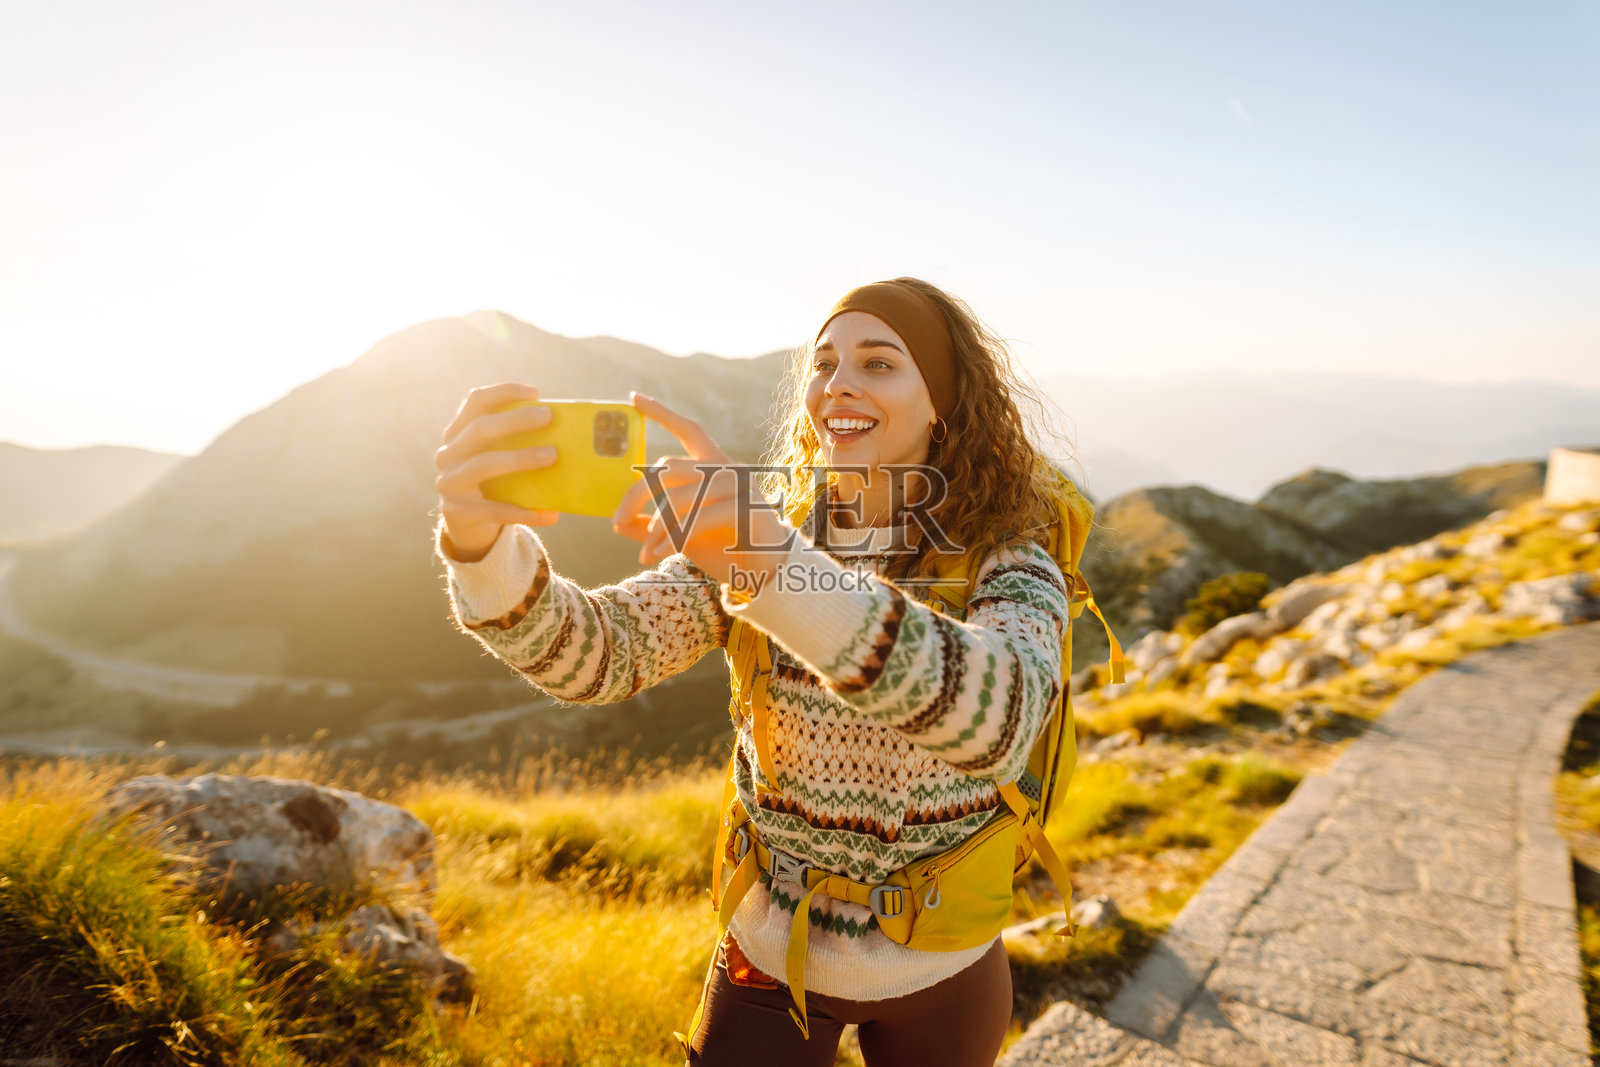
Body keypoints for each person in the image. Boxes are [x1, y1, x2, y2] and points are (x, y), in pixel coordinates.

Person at [432, 278, 1080, 1067]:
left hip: (946, 958)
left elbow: (1003, 718)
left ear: (942, 399)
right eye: (825, 362)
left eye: (879, 364)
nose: (838, 382)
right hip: (771, 954)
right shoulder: (756, 526)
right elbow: (599, 656)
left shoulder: (1010, 554)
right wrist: (478, 548)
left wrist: (771, 567)